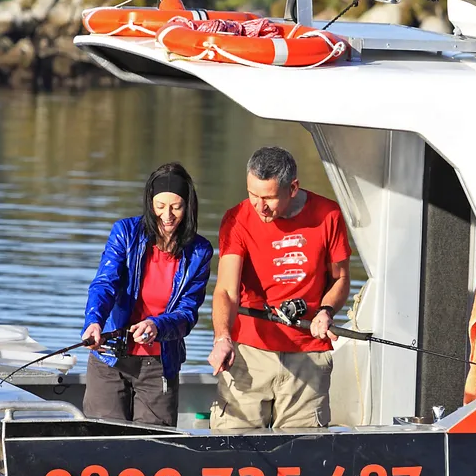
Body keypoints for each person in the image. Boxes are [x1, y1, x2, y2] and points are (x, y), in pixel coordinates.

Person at [208, 146, 351, 430]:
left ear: (293, 188)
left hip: (308, 355)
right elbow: (226, 291)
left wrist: (326, 311)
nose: (259, 206)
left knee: (303, 449)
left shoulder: (328, 215)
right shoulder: (237, 218)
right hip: (248, 353)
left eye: (269, 198)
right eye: (252, 194)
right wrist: (222, 337)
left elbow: (340, 279)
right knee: (231, 445)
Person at [82, 163, 213, 426]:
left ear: (188, 206)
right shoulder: (125, 232)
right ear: (150, 204)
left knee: (152, 442)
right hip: (110, 357)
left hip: (159, 364)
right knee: (101, 438)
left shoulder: (200, 251)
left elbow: (187, 313)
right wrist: (94, 322)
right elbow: (105, 284)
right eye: (160, 206)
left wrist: (157, 325)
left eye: (176, 207)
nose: (167, 215)